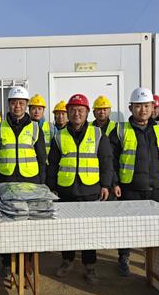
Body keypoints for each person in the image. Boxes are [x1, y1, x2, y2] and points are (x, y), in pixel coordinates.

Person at [108, 87, 159, 276]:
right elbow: (111, 159)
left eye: (146, 106)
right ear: (131, 108)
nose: (143, 110)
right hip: (129, 186)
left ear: (153, 107)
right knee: (126, 225)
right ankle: (124, 257)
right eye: (138, 106)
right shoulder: (120, 129)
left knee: (155, 227)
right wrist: (114, 182)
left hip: (157, 187)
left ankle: (152, 261)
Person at [47, 94, 113, 284]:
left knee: (88, 230)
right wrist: (52, 187)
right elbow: (52, 164)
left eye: (81, 110)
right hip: (66, 190)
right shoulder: (59, 136)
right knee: (66, 230)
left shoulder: (98, 134)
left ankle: (90, 266)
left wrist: (106, 185)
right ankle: (67, 261)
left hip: (90, 190)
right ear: (67, 112)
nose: (77, 114)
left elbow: (106, 161)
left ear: (87, 113)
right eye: (73, 110)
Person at [0, 86, 47, 277]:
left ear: (27, 105)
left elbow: (42, 158)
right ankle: (7, 263)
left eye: (21, 103)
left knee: (28, 223)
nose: (17, 106)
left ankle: (27, 261)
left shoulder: (35, 128)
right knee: (7, 222)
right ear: (9, 104)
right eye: (14, 103)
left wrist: (42, 183)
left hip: (30, 182)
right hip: (5, 181)